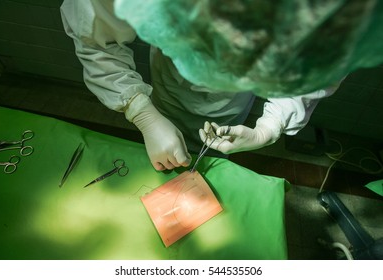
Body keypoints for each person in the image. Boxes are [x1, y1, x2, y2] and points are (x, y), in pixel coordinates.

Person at [61, 0, 376, 171]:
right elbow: (94, 39)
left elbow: (317, 68)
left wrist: (269, 125)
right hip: (170, 83)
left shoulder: (333, 13)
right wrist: (143, 113)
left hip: (233, 104)